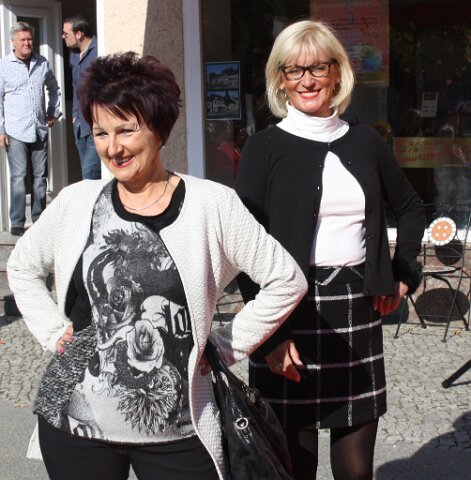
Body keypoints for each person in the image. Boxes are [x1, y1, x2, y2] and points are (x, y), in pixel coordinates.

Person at [7, 52, 307, 480]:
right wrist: (54, 331)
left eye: (126, 130)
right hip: (75, 424)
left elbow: (286, 279)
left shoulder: (212, 204)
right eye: (101, 133)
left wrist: (224, 346)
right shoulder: (76, 202)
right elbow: (22, 266)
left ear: (159, 128)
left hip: (178, 431)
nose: (113, 147)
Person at [235, 20, 425, 480]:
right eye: (294, 70)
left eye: (318, 67)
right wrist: (268, 336)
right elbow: (242, 244)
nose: (307, 80)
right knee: (295, 467)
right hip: (286, 311)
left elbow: (410, 208)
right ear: (281, 79)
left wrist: (401, 272)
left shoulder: (366, 141)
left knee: (356, 471)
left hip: (356, 308)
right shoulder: (263, 148)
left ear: (337, 72)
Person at [0, 22, 61, 236]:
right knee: (19, 177)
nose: (27, 43)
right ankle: (17, 223)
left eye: (29, 39)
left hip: (39, 129)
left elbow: (54, 88)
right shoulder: (3, 66)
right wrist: (1, 130)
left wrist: (53, 112)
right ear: (13, 42)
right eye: (23, 40)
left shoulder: (42, 63)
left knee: (40, 177)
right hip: (15, 130)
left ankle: (39, 220)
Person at [62, 14, 101, 179]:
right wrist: (74, 114)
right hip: (79, 125)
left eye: (66, 33)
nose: (63, 36)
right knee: (87, 174)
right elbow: (75, 87)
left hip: (95, 124)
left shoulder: (99, 51)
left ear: (79, 34)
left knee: (90, 173)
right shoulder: (73, 54)